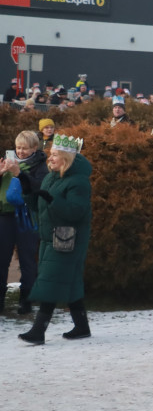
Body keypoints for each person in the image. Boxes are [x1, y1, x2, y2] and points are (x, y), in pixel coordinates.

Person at [17, 134, 92, 344]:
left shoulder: (78, 182)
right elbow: (37, 206)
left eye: (55, 155)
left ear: (66, 158)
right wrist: (26, 185)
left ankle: (38, 331)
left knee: (50, 281)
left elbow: (76, 212)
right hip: (50, 238)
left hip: (68, 239)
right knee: (70, 281)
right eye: (50, 154)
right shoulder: (51, 177)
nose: (50, 158)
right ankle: (81, 326)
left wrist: (51, 198)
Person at [1, 131, 47, 315]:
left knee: (27, 260)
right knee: (2, 259)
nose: (20, 152)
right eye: (18, 147)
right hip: (5, 215)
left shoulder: (40, 166)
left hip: (27, 216)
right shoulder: (7, 160)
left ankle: (25, 301)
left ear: (34, 148)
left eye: (25, 148)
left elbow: (38, 188)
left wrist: (19, 174)